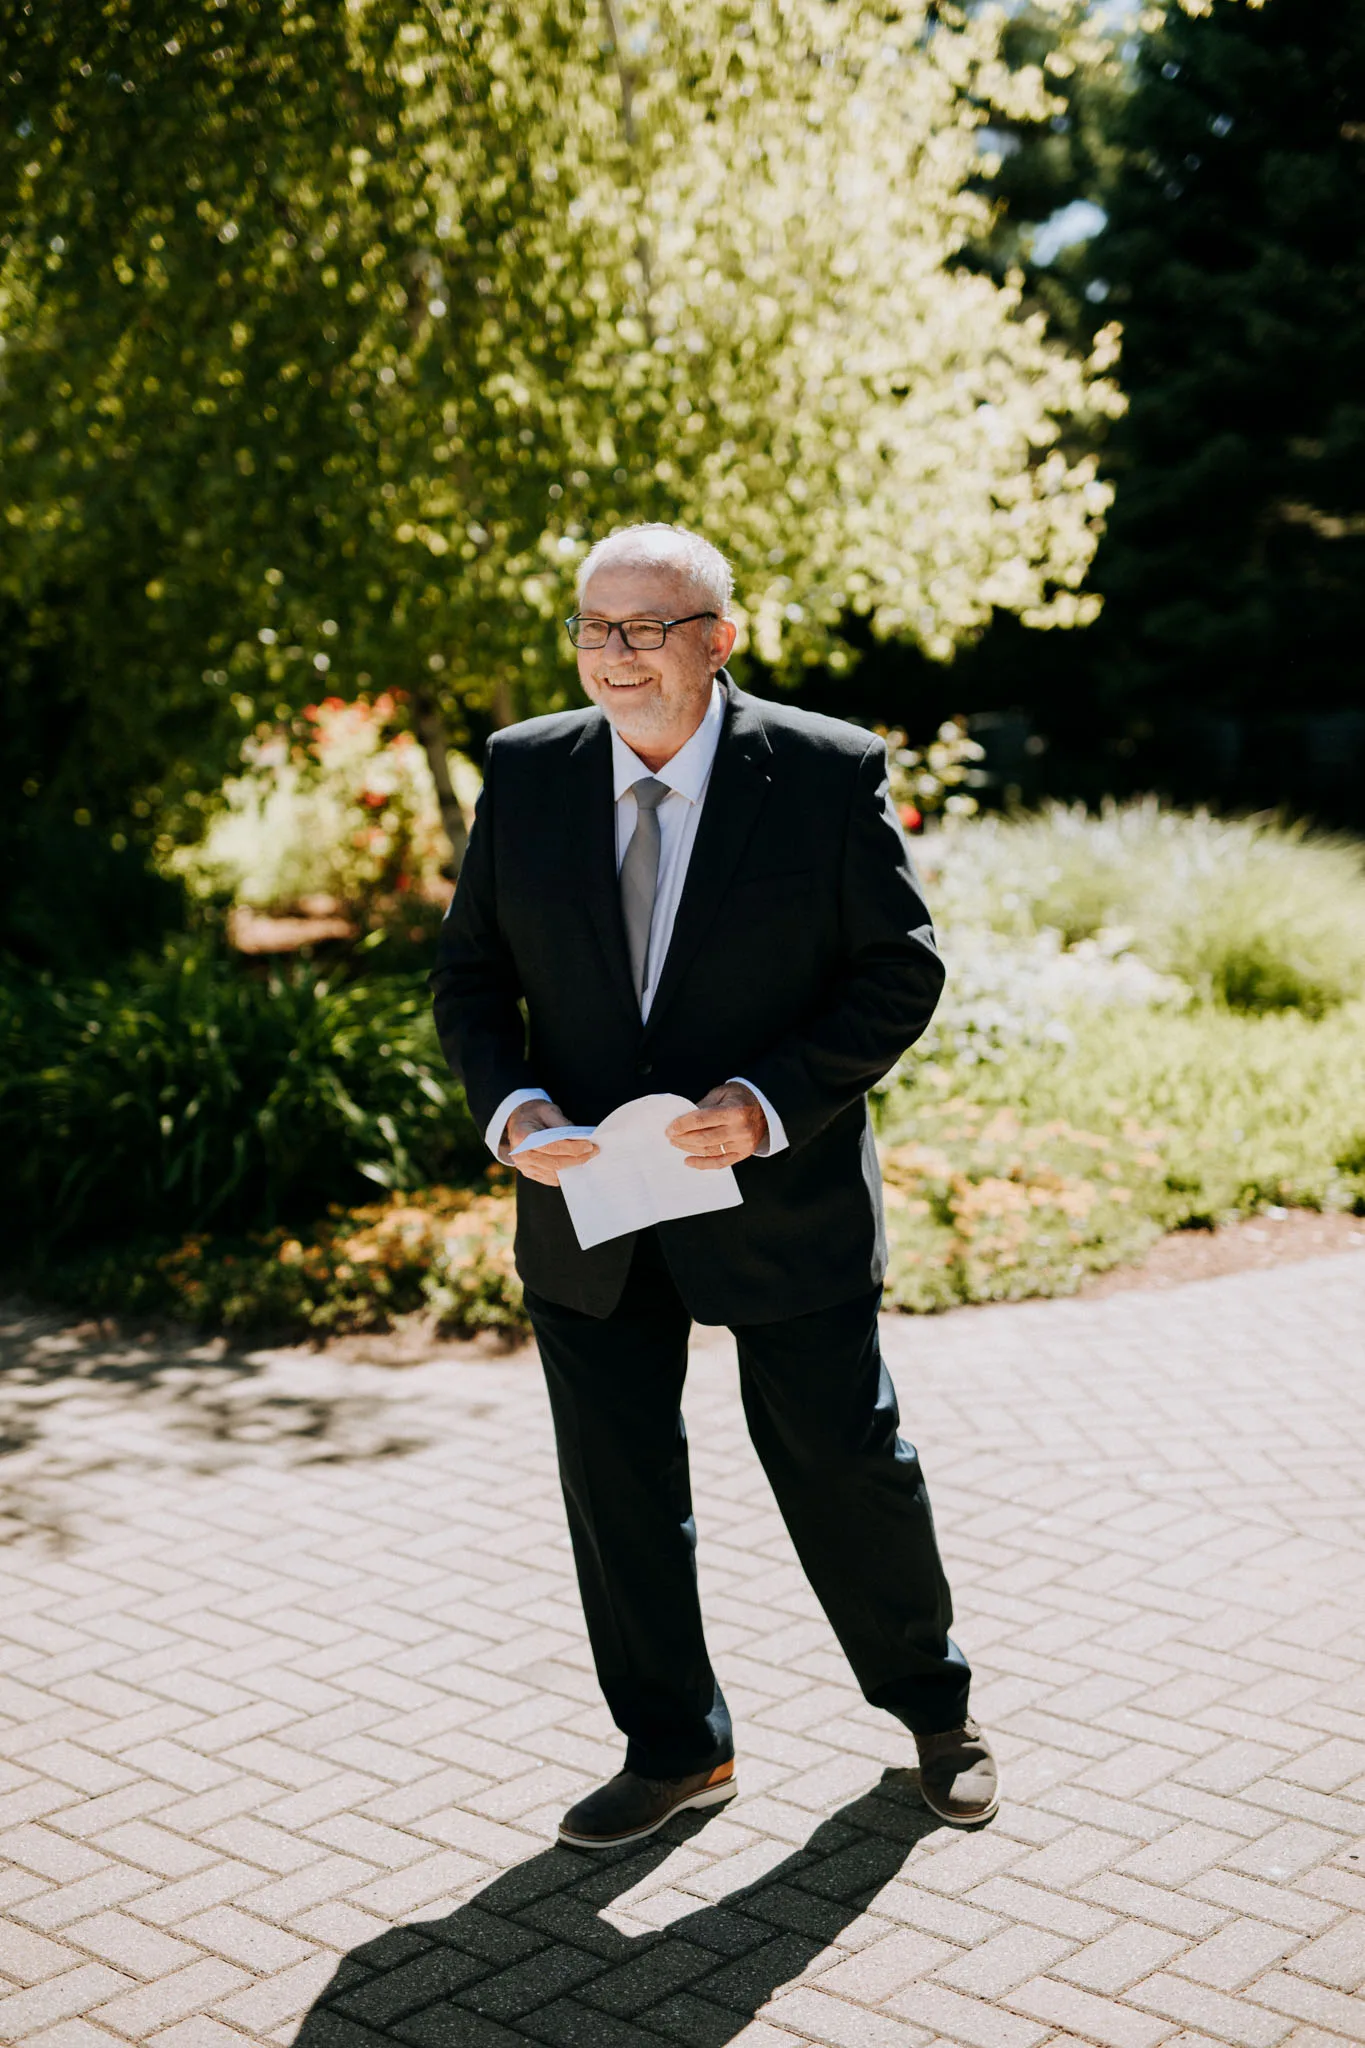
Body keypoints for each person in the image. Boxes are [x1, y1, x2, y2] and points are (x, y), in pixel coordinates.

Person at [430, 522, 998, 1848]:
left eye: (645, 629)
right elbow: (469, 978)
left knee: (846, 1464)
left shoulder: (821, 770)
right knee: (616, 1489)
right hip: (590, 1215)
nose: (614, 657)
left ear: (716, 641)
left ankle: (936, 1713)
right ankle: (676, 1749)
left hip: (779, 1200)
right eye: (593, 629)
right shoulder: (524, 773)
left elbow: (897, 974)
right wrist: (511, 1113)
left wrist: (772, 1104)